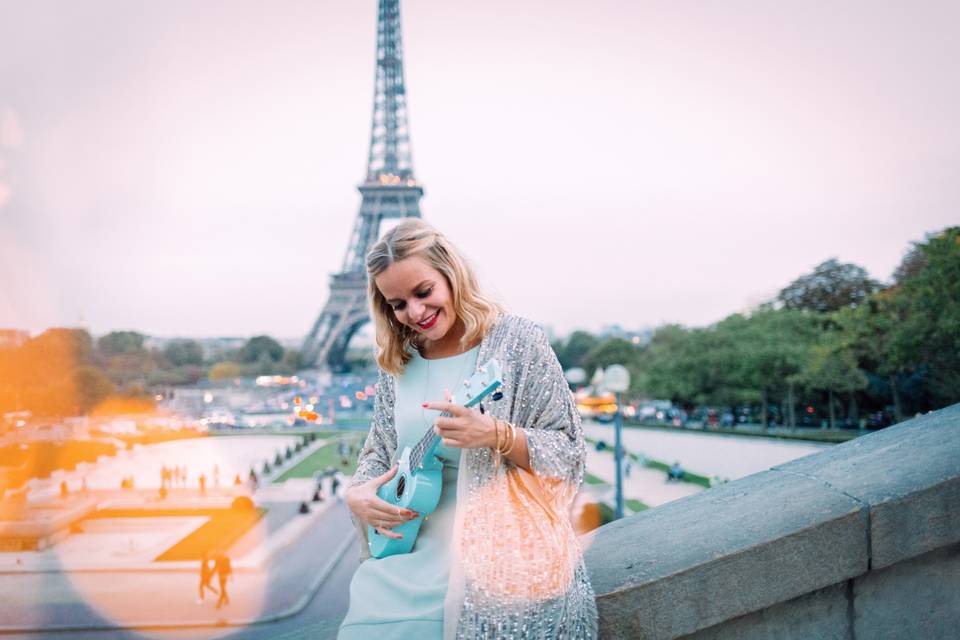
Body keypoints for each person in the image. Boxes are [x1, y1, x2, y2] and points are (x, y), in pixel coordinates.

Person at [339, 220, 596, 639]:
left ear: (451, 273)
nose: (415, 313)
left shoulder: (517, 342)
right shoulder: (397, 362)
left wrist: (497, 435)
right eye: (398, 304)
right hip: (406, 553)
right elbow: (379, 454)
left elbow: (568, 453)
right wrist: (359, 493)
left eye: (423, 293)